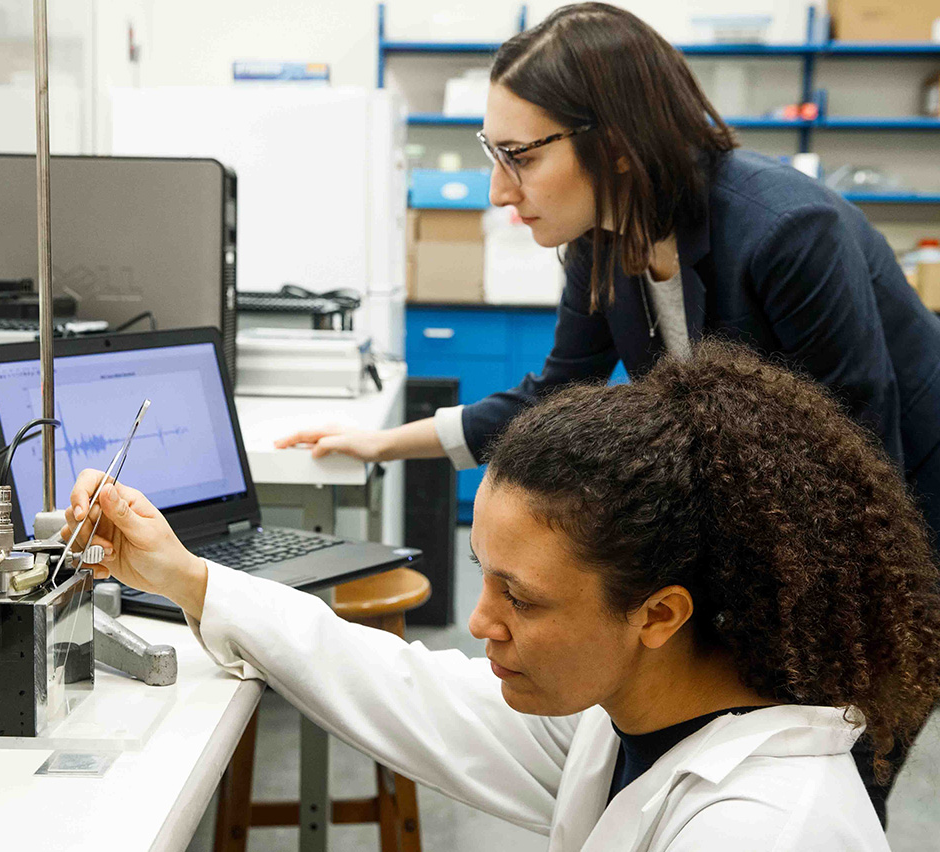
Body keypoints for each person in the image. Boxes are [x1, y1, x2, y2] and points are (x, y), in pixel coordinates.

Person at [275, 2, 940, 817]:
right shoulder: (602, 242)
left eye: (518, 155)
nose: (497, 189)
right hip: (775, 541)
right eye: (493, 154)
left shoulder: (786, 231)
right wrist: (380, 443)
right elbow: (555, 393)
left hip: (893, 533)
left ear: (615, 145)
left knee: (819, 779)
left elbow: (863, 460)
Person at [65, 343, 940, 851]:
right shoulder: (626, 718)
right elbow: (408, 690)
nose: (480, 621)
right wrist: (184, 575)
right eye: (482, 572)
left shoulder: (766, 831)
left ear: (661, 613)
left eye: (519, 598)